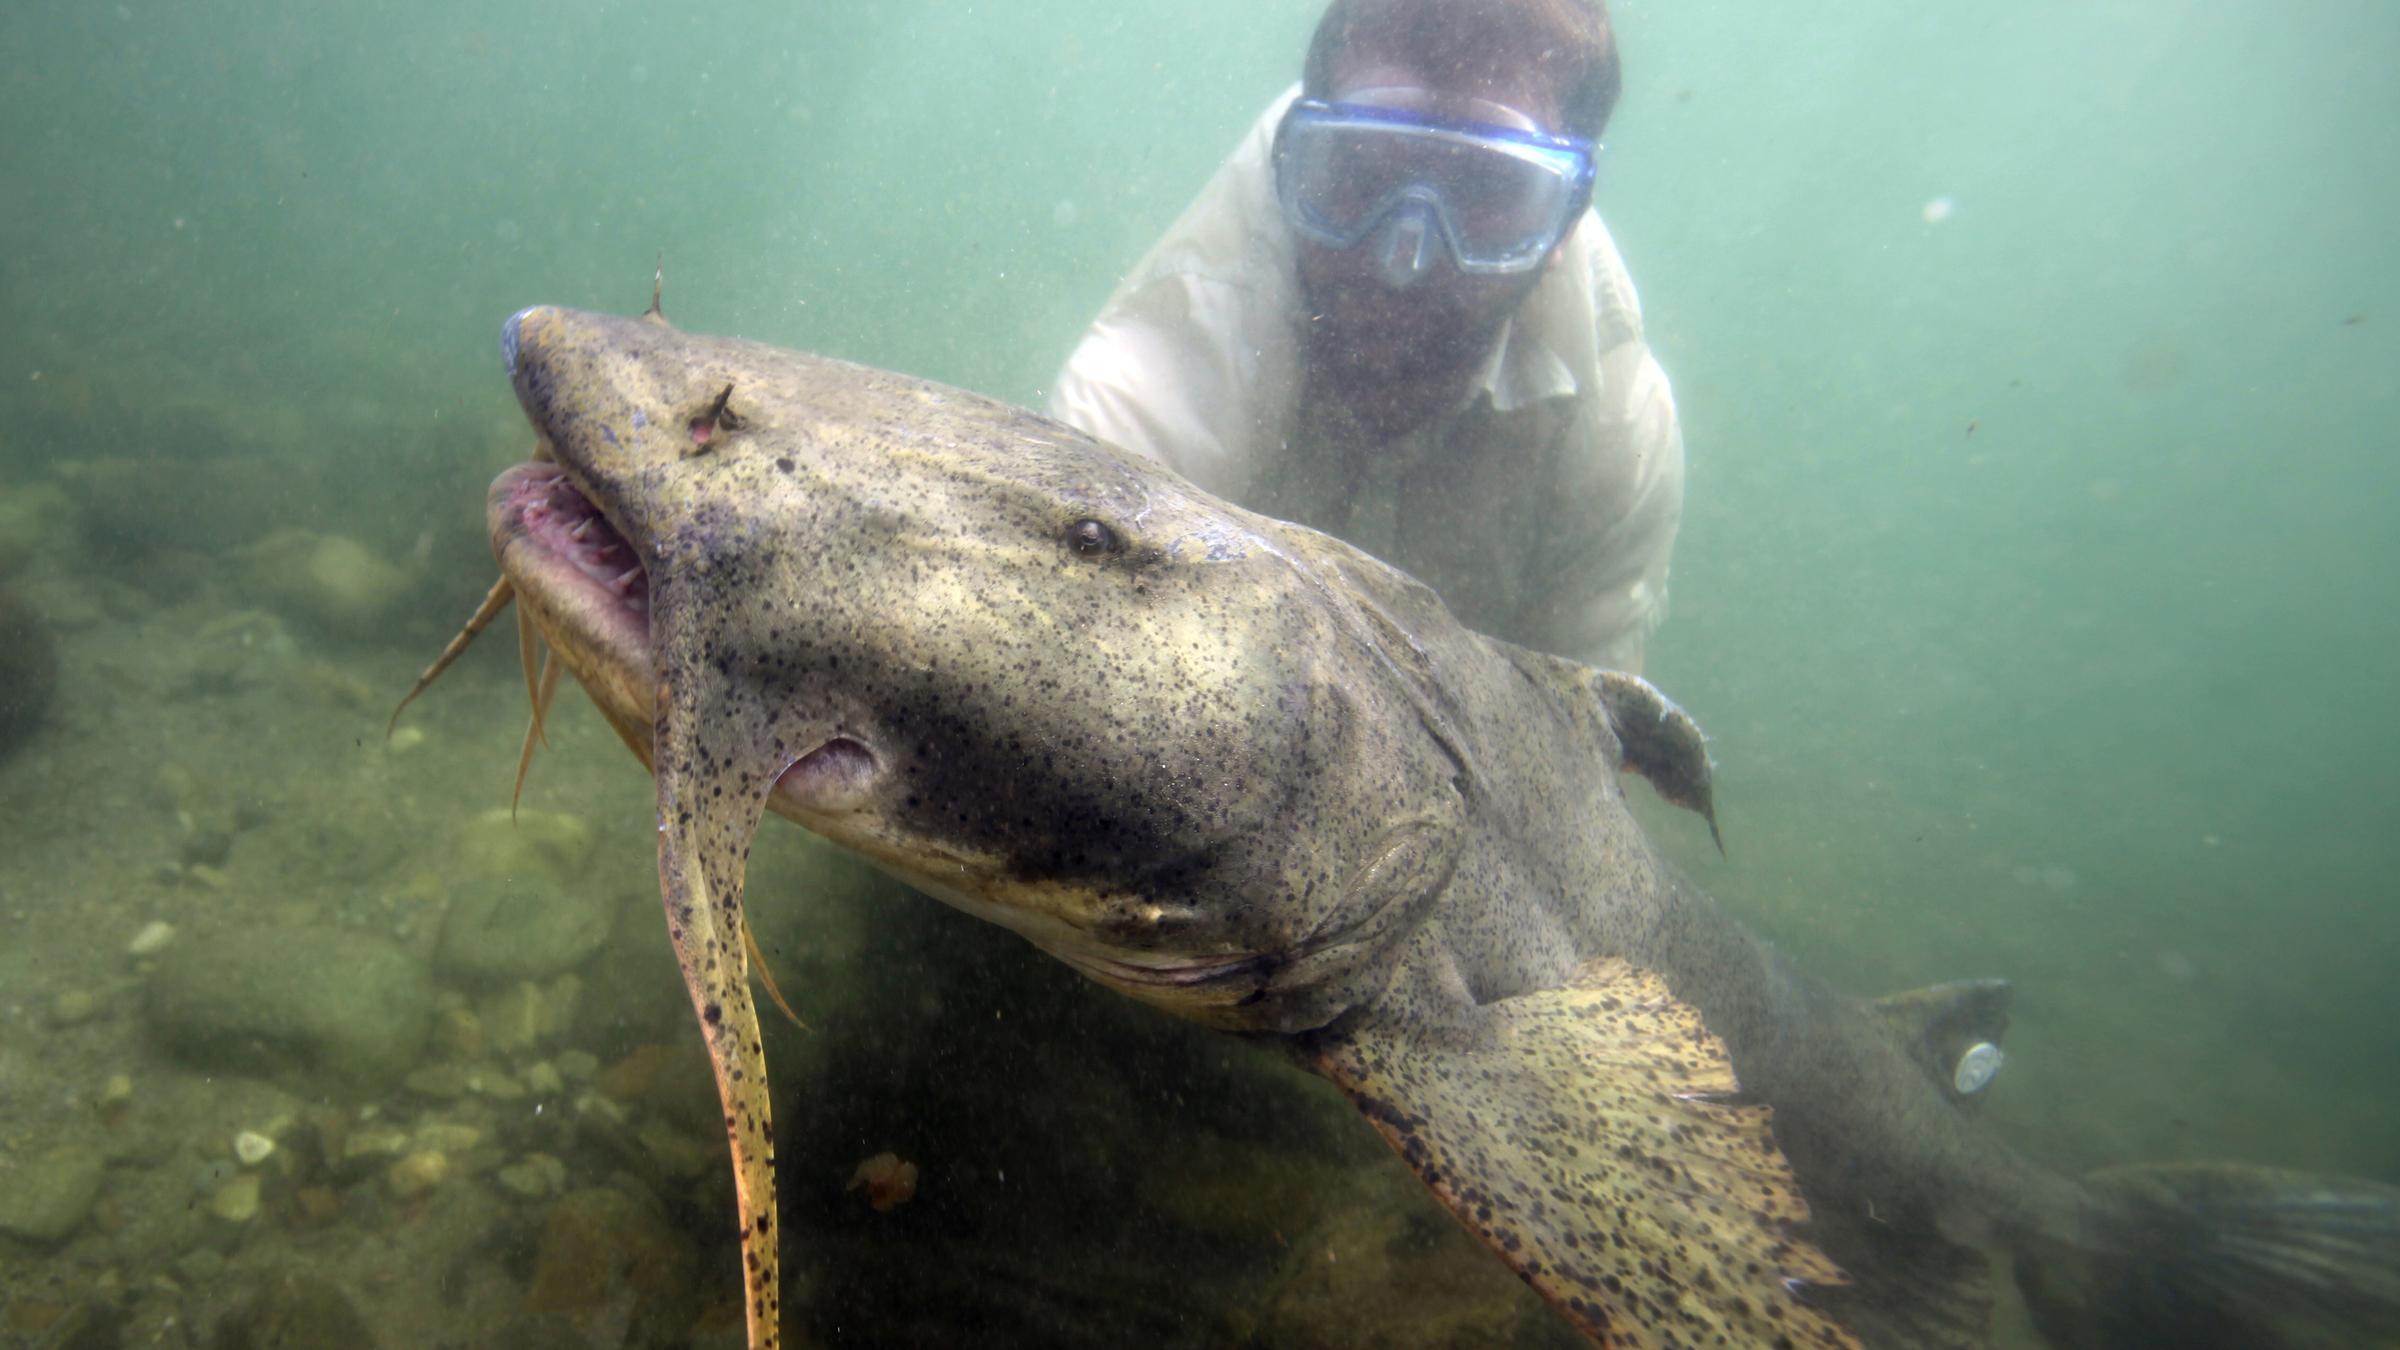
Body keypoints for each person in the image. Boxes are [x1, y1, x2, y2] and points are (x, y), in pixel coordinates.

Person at [1047, 0, 1682, 674]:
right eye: (1359, 170)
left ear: (1564, 221)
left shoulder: (1614, 422)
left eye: (1483, 188)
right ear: (1289, 165)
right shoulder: (1160, 363)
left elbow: (1583, 739)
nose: (1403, 262)